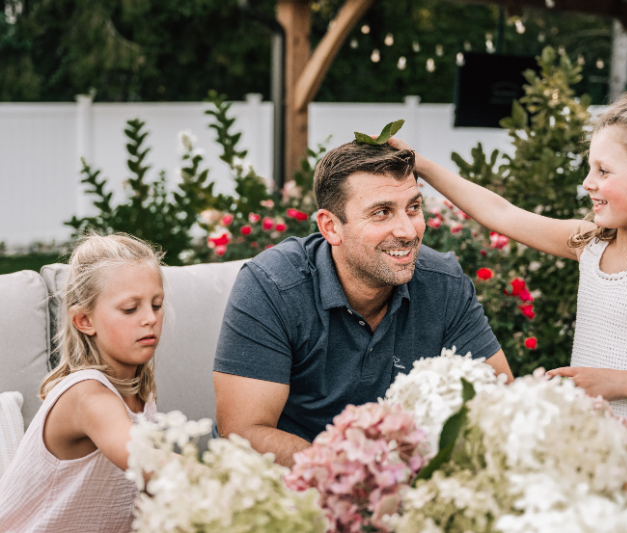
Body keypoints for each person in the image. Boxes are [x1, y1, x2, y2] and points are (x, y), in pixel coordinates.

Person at [388, 91, 627, 533]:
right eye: (589, 168)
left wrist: (615, 381)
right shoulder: (589, 244)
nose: (588, 183)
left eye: (603, 171)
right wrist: (422, 165)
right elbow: (501, 212)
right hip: (590, 463)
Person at [213, 141, 513, 467]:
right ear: (331, 227)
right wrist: (361, 477)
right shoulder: (272, 285)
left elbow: (501, 401)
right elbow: (244, 432)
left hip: (404, 485)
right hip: (286, 485)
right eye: (382, 213)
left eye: (413, 208)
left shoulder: (444, 283)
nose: (407, 230)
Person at [0, 234, 163, 533]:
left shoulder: (142, 394)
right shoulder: (86, 395)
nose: (150, 318)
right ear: (84, 320)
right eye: (130, 309)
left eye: (156, 304)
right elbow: (145, 460)